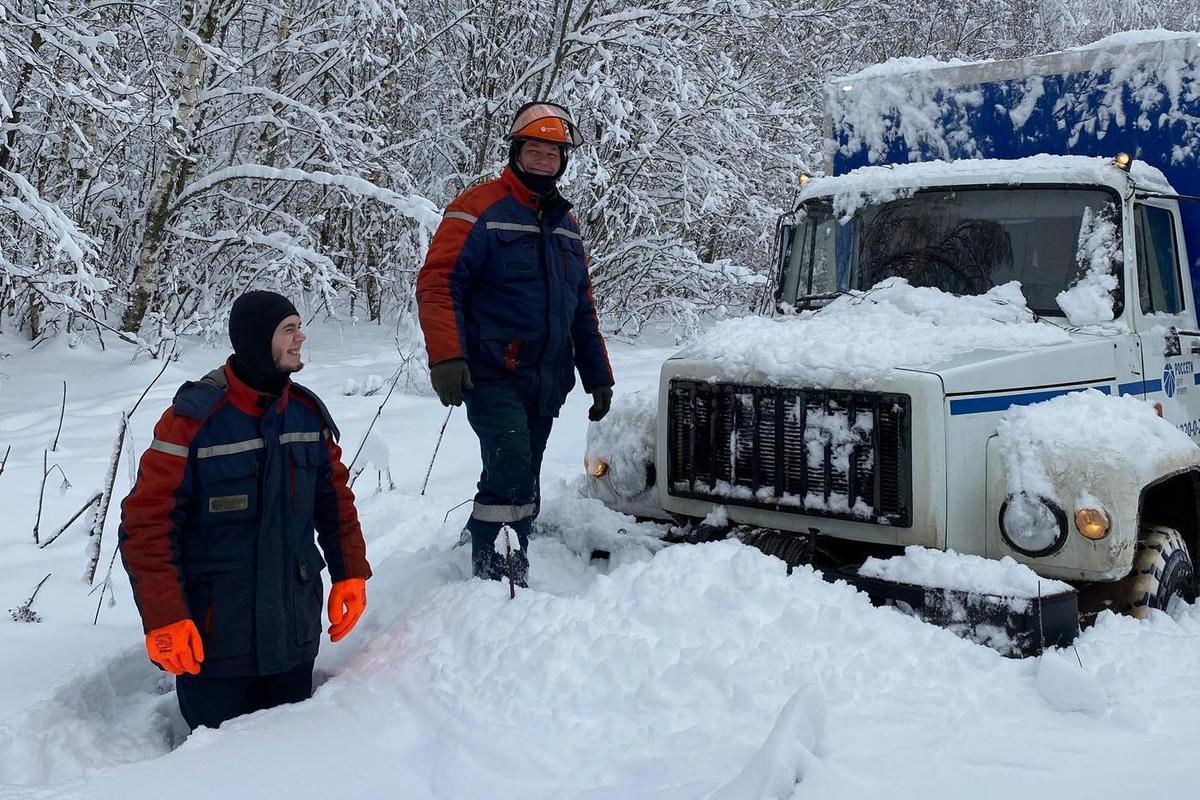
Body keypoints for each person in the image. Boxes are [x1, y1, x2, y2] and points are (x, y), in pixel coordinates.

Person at [118, 290, 372, 731]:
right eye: (289, 330)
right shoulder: (192, 420)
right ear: (258, 340)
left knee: (291, 758)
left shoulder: (307, 416)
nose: (301, 338)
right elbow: (147, 526)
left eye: (299, 327)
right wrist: (165, 617)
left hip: (294, 637)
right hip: (216, 645)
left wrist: (350, 571)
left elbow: (335, 504)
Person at [416, 101, 614, 585]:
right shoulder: (478, 207)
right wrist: (446, 356)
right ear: (516, 152)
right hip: (491, 370)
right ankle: (500, 574)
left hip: (546, 377)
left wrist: (598, 375)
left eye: (553, 154)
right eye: (535, 151)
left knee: (523, 471)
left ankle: (484, 537)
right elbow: (439, 283)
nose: (545, 161)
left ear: (563, 161)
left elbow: (580, 308)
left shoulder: (566, 227)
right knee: (510, 465)